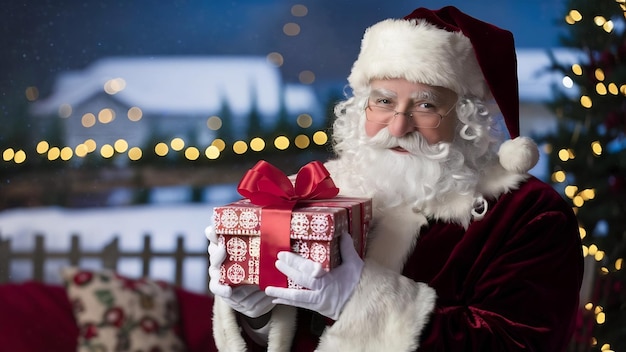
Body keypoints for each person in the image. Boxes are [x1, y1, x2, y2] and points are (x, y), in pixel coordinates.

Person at [206, 6, 584, 351]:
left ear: (467, 120)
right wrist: (257, 315)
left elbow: (517, 344)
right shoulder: (320, 194)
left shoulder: (529, 214)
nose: (400, 125)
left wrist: (360, 298)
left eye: (426, 105)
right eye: (384, 101)